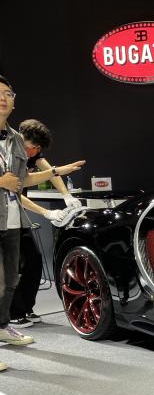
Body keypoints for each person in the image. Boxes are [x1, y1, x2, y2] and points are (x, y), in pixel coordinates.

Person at [0, 74, 85, 371]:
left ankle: (5, 324)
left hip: (11, 220)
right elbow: (9, 183)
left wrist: (59, 176)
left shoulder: (13, 138)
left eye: (7, 93)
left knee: (9, 280)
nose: (2, 98)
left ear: (14, 101)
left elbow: (22, 180)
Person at [9, 119, 85, 328]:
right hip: (4, 213)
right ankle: (13, 313)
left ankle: (25, 308)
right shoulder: (9, 153)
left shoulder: (32, 153)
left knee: (34, 260)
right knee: (11, 265)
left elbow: (50, 172)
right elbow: (13, 191)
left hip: (17, 214)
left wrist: (67, 195)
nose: (33, 153)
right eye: (31, 148)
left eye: (37, 149)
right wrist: (46, 212)